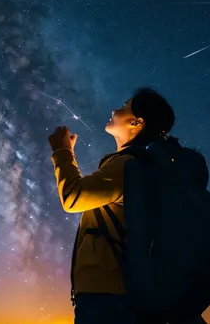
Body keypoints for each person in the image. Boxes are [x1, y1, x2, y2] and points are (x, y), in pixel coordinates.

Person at [48, 87, 176, 324]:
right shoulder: (135, 165)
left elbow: (73, 197)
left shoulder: (126, 165)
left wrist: (62, 151)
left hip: (108, 294)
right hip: (115, 290)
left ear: (136, 121)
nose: (114, 109)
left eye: (123, 106)